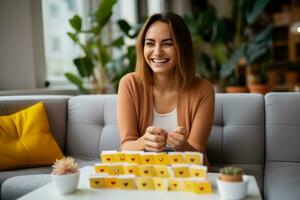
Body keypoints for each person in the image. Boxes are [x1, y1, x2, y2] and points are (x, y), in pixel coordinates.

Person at [117, 11, 215, 165]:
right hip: (144, 175)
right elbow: (126, 147)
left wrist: (183, 146)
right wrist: (144, 142)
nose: (157, 52)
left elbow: (199, 156)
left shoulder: (204, 90)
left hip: (186, 178)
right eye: (150, 43)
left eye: (167, 43)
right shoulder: (129, 84)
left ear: (182, 47)